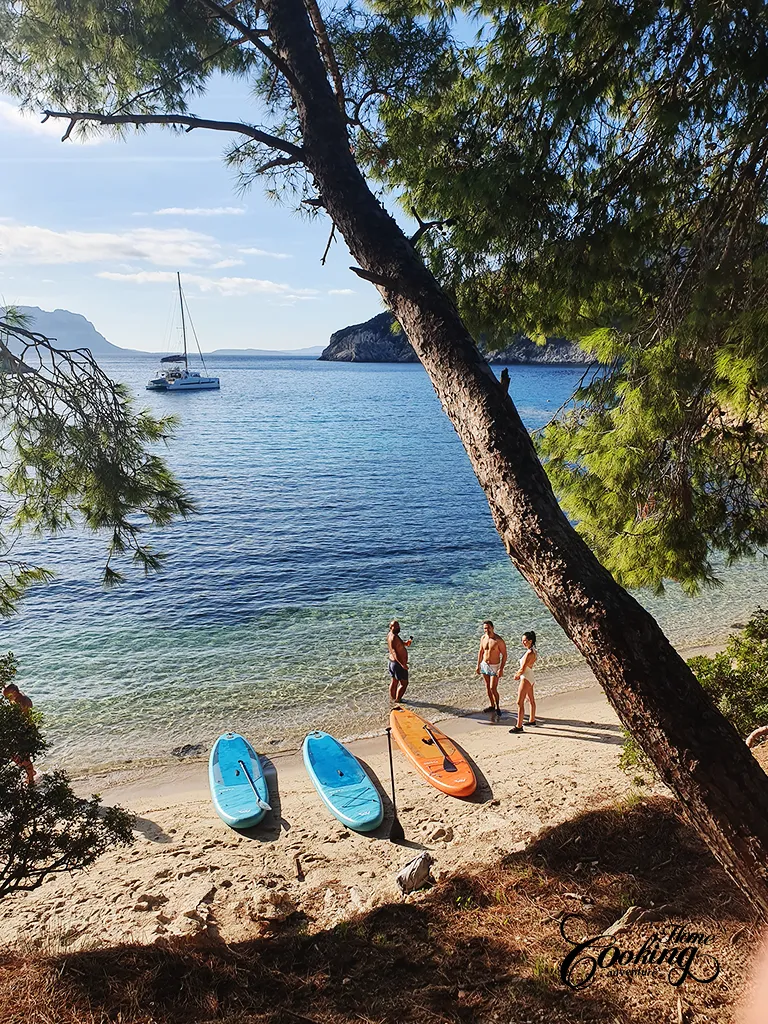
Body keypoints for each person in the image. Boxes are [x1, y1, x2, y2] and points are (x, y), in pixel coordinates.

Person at [2, 682, 36, 783]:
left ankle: (31, 780)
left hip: (26, 731)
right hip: (19, 731)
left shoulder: (24, 701)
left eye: (7, 696)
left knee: (25, 757)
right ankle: (30, 772)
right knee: (14, 755)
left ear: (14, 692)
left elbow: (26, 719)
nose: (7, 699)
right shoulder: (16, 699)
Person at [476, 620, 507, 715]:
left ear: (492, 628)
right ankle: (492, 705)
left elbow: (504, 655)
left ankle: (498, 706)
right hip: (484, 665)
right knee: (487, 687)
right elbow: (481, 651)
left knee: (493, 688)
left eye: (488, 627)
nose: (487, 630)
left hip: (494, 666)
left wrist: (501, 669)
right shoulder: (483, 638)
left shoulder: (498, 640)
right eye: (485, 628)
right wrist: (478, 665)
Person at [509, 631, 538, 733]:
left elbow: (523, 668)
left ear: (530, 641)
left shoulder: (530, 653)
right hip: (530, 675)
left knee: (519, 702)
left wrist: (516, 675)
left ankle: (519, 726)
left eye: (525, 641)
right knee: (531, 699)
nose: (523, 643)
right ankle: (532, 720)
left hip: (526, 677)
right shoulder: (534, 650)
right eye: (522, 641)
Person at [387, 620, 413, 702]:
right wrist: (402, 664)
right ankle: (398, 700)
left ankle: (393, 699)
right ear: (390, 627)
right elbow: (395, 652)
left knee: (394, 682)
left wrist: (406, 643)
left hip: (392, 663)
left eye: (398, 626)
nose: (398, 627)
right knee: (404, 684)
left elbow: (399, 644)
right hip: (397, 664)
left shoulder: (391, 635)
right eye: (395, 626)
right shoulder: (394, 637)